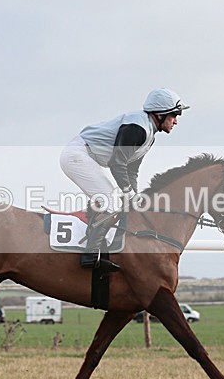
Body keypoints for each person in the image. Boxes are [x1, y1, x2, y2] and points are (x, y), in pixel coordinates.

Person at [60, 88, 189, 272]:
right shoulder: (138, 128)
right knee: (110, 200)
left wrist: (133, 196)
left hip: (86, 157)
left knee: (117, 202)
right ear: (160, 114)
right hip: (77, 155)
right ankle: (90, 254)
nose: (176, 121)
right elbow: (116, 163)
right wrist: (128, 193)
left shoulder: (149, 136)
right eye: (174, 115)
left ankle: (100, 249)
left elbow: (131, 170)